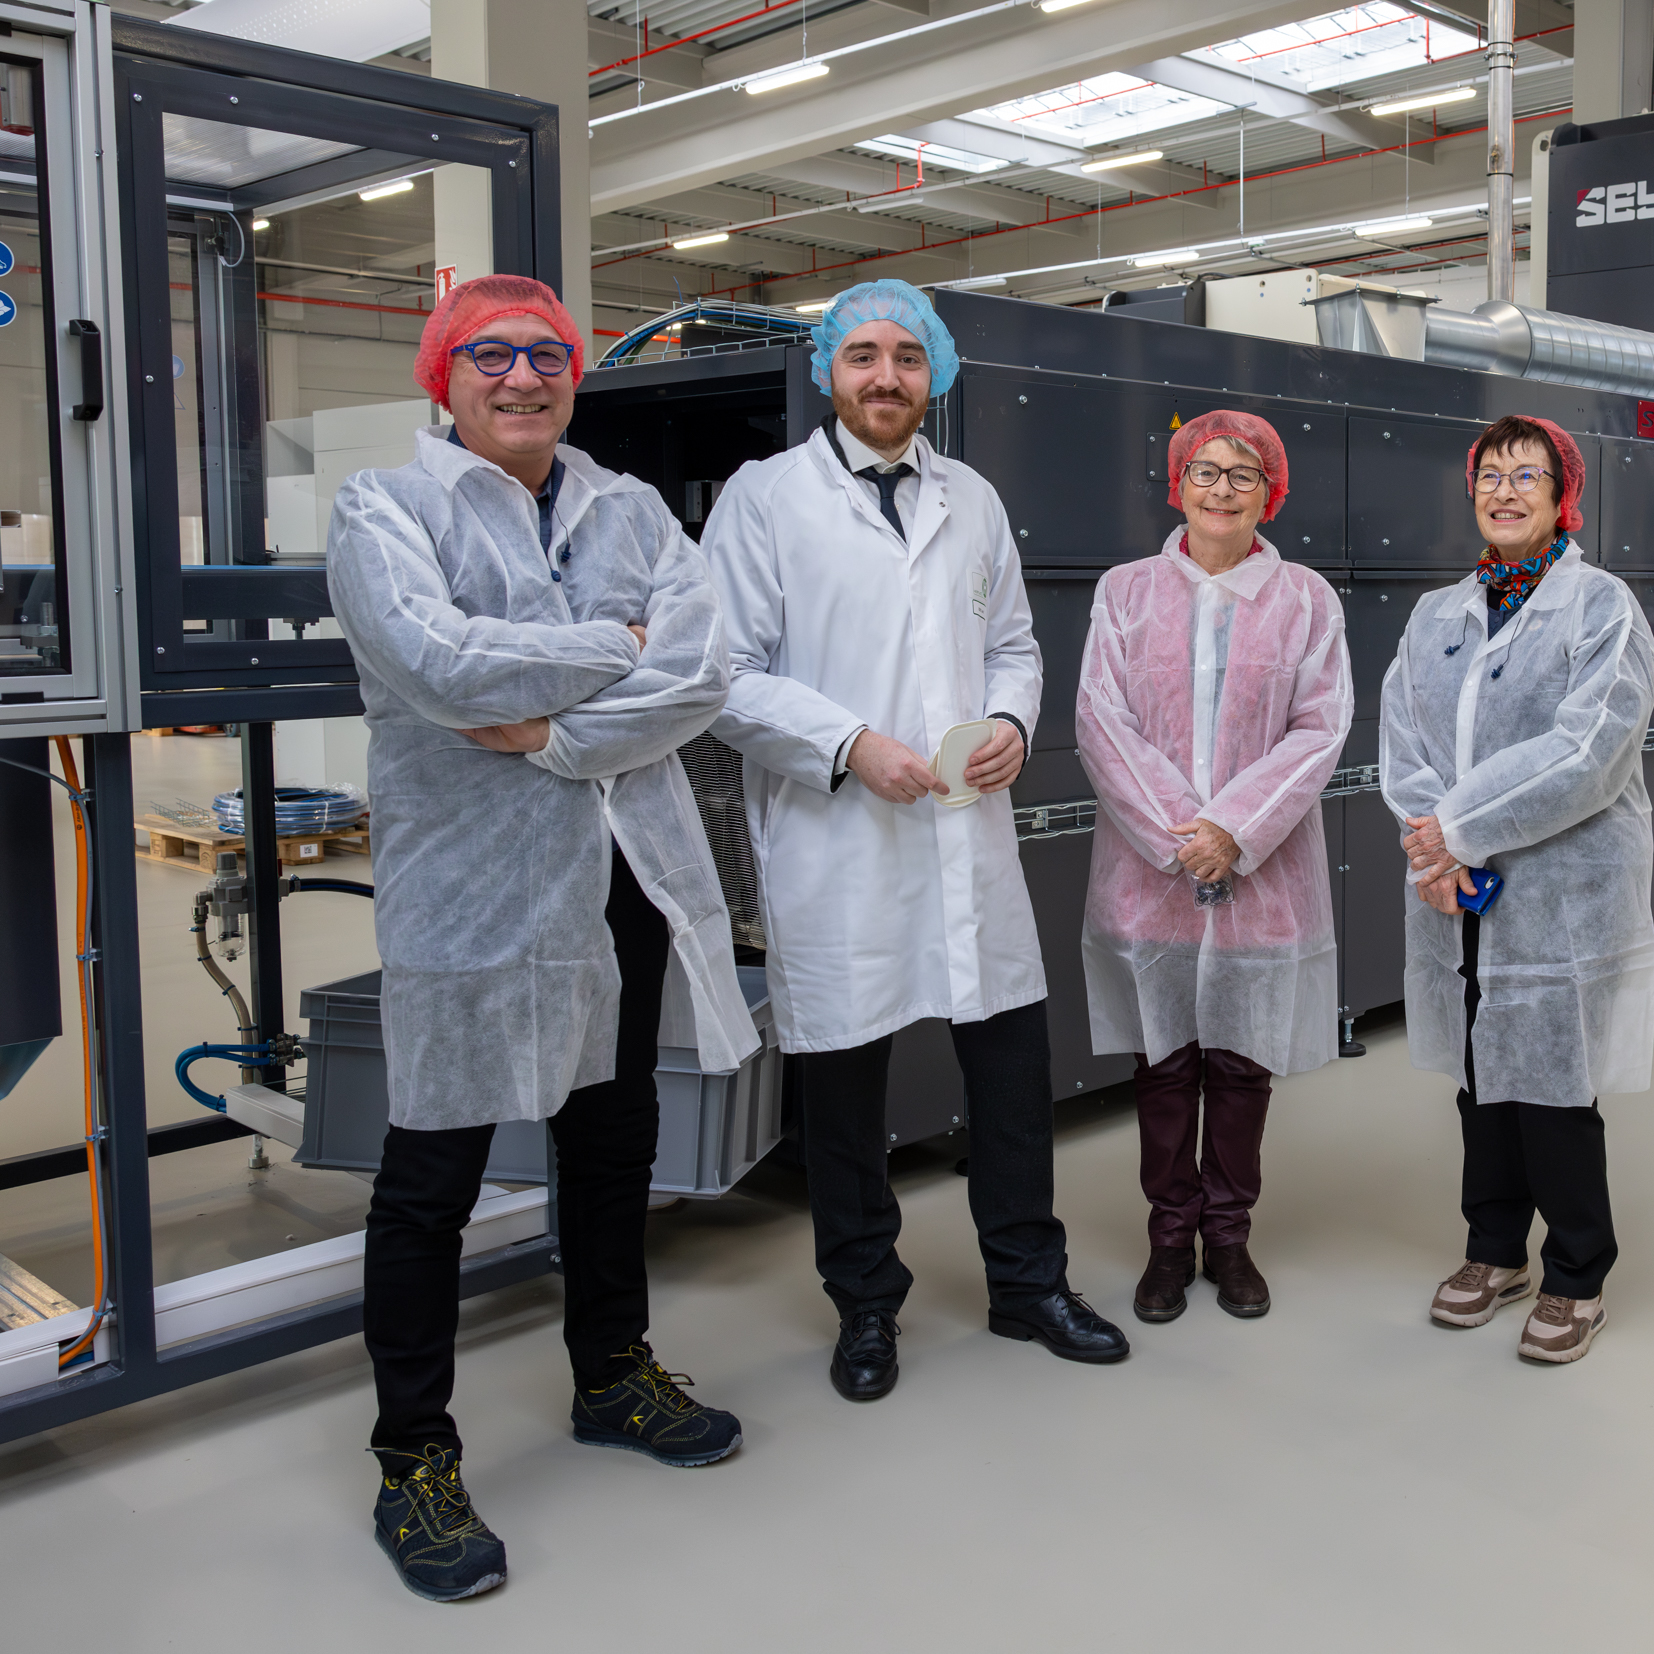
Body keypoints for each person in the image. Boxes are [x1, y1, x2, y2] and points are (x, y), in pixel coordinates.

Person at [326, 274, 760, 1603]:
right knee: (434, 1168)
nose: (525, 376)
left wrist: (562, 728)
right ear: (444, 378)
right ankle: (414, 1454)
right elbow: (435, 663)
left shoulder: (627, 504)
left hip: (613, 865)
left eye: (548, 356)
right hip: (469, 878)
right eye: (494, 354)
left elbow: (703, 665)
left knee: (611, 1131)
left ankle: (611, 1373)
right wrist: (611, 644)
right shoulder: (382, 507)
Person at [699, 279, 1127, 1401]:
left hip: (961, 833)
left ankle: (1028, 1283)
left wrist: (1007, 720)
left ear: (933, 371)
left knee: (1011, 1072)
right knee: (843, 1090)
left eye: (904, 357)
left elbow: (1016, 644)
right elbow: (722, 675)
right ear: (826, 372)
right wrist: (847, 744)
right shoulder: (763, 500)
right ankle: (865, 1306)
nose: (885, 377)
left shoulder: (972, 497)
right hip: (837, 834)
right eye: (862, 358)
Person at [1377, 413, 1654, 1366]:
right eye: (1489, 475)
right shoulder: (1436, 615)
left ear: (1560, 493)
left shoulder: (1603, 607)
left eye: (1525, 475)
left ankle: (1578, 1272)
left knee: (1553, 1083)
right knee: (1478, 1072)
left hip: (1562, 884)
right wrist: (1439, 848)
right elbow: (1404, 737)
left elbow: (1588, 752)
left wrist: (1457, 831)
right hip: (1460, 885)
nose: (1504, 491)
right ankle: (1494, 1249)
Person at [1076, 410, 1352, 1324]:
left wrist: (1234, 829)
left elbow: (1322, 726)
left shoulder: (1308, 597)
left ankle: (1228, 1238)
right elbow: (1099, 722)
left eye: (1243, 473)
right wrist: (1177, 834)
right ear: (1176, 482)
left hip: (1263, 878)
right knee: (1163, 1064)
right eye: (1205, 470)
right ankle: (1168, 1240)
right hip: (1148, 873)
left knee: (1239, 1065)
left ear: (1270, 490)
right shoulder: (1124, 592)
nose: (1222, 488)